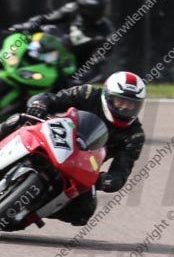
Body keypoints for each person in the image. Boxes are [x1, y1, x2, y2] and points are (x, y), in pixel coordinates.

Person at [0, 71, 146, 226]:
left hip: (82, 164)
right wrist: (39, 104)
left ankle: (30, 212)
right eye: (120, 101)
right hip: (57, 136)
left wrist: (109, 181)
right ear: (108, 96)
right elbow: (49, 98)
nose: (125, 108)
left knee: (83, 212)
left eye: (131, 104)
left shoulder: (134, 135)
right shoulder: (88, 93)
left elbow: (122, 170)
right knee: (18, 121)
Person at [9, 0, 113, 79]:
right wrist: (25, 26)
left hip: (72, 68)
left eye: (94, 10)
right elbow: (46, 18)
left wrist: (77, 81)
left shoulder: (106, 34)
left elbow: (97, 67)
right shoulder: (73, 9)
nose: (89, 13)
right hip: (55, 52)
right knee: (48, 30)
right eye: (86, 9)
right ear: (80, 6)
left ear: (102, 10)